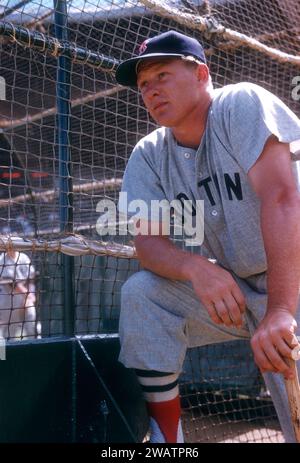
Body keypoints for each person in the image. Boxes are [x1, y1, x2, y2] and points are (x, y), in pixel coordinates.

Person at [115, 30, 300, 443]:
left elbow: (283, 197)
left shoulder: (240, 103)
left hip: (295, 274)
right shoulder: (148, 152)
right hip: (239, 286)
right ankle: (168, 442)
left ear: (201, 73)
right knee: (143, 294)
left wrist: (282, 310)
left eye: (162, 75)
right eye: (143, 85)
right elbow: (148, 243)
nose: (151, 91)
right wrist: (196, 267)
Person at [0, 249, 38, 339]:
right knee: (10, 334)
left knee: (32, 327)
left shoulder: (24, 257)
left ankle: (34, 351)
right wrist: (28, 295)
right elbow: (12, 284)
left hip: (26, 298)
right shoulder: (1, 260)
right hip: (8, 301)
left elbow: (31, 279)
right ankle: (8, 353)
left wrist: (28, 299)